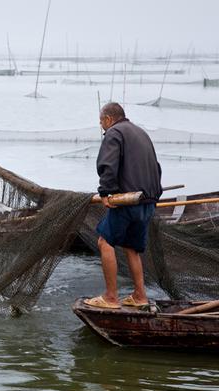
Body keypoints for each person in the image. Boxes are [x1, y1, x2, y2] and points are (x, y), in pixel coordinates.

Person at [85, 102, 162, 309]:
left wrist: (105, 193)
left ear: (109, 119)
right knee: (132, 248)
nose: (101, 126)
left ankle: (110, 297)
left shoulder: (114, 133)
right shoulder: (140, 133)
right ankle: (140, 296)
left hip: (127, 200)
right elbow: (157, 167)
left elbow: (108, 166)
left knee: (105, 242)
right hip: (148, 200)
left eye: (101, 121)